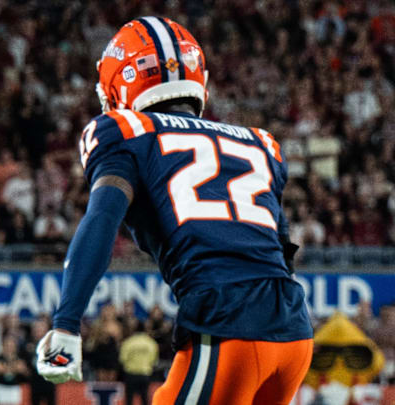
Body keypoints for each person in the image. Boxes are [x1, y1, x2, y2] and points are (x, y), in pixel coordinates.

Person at [36, 17, 313, 405]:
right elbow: (283, 248)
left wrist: (67, 323)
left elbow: (101, 219)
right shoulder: (260, 143)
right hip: (294, 332)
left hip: (227, 324)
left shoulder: (127, 130)